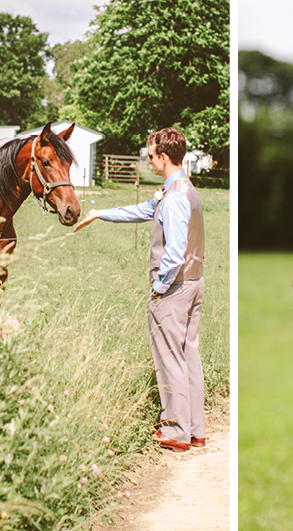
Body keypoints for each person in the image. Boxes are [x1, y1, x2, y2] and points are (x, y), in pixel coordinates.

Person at [73, 127, 206, 452]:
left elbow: (174, 252)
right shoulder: (183, 189)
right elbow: (143, 211)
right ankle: (195, 430)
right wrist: (99, 213)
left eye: (150, 156)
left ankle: (175, 432)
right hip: (194, 282)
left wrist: (159, 287)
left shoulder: (174, 197)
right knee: (188, 355)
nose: (148, 161)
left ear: (163, 156)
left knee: (169, 358)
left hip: (173, 288)